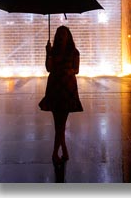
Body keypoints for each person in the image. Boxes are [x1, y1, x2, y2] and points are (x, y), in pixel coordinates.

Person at [39, 26, 83, 165]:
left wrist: (68, 70)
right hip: (54, 88)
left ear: (68, 36)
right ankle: (64, 149)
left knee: (61, 123)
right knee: (59, 124)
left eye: (64, 34)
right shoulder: (53, 51)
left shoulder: (74, 52)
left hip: (67, 89)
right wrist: (48, 53)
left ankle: (55, 153)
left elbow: (76, 70)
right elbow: (49, 68)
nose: (61, 36)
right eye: (59, 34)